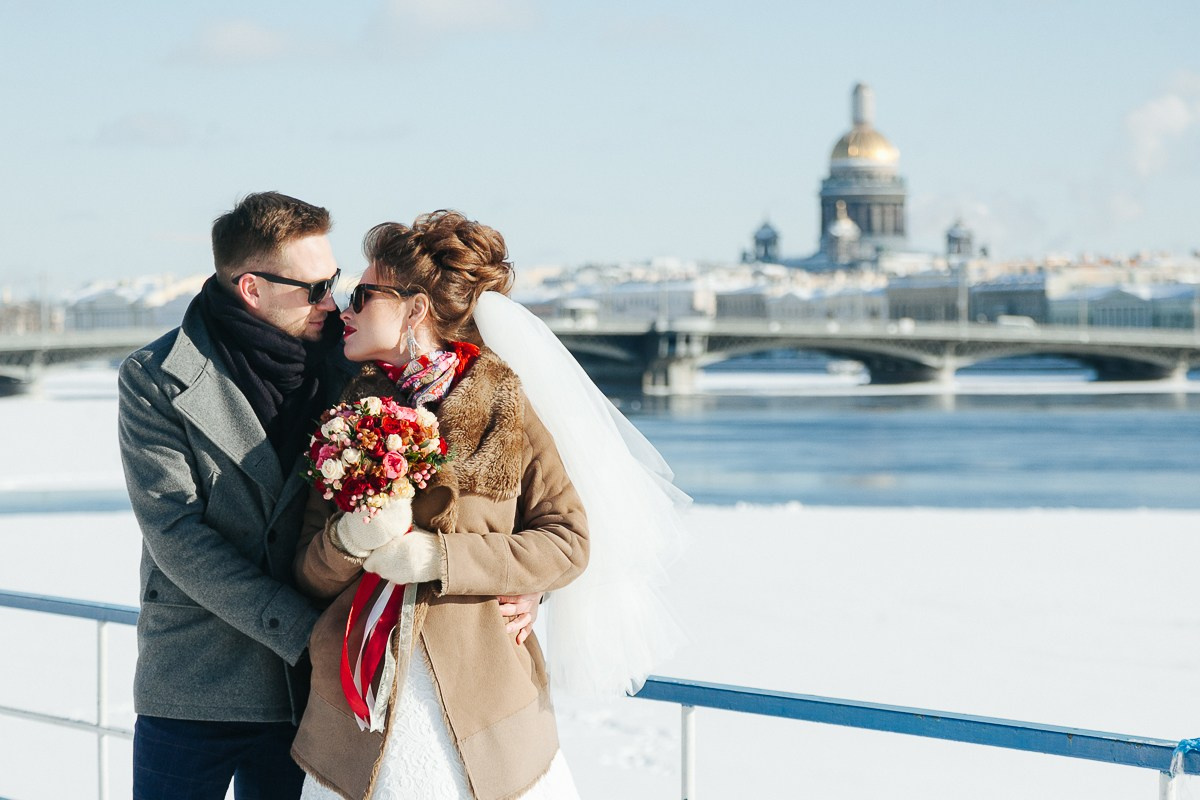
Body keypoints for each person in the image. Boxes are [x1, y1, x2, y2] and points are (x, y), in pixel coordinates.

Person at [118, 194, 541, 800]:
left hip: (316, 693)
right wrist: (306, 631)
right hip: (198, 672)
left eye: (336, 282)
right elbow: (176, 536)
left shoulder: (356, 364)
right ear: (252, 289)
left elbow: (505, 495)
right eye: (314, 288)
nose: (333, 302)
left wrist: (524, 583)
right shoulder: (155, 376)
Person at [291, 211, 589, 800]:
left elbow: (568, 540)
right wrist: (350, 539)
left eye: (362, 294)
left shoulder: (506, 407)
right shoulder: (346, 416)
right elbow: (307, 568)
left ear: (414, 309)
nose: (345, 310)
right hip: (357, 719)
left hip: (484, 708)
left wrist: (441, 558)